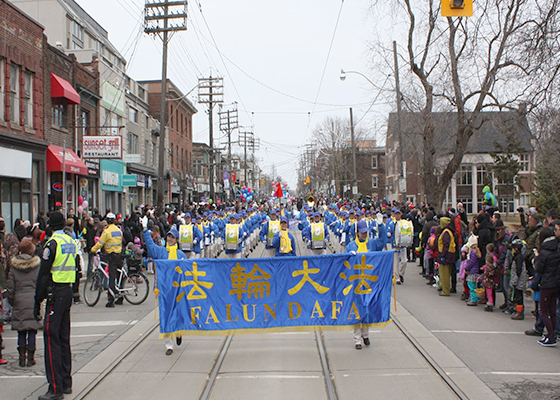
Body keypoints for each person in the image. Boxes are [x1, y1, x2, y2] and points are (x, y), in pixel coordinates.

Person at [34, 211, 76, 399]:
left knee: (51, 338)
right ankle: (66, 382)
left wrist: (37, 300)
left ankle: (55, 388)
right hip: (66, 290)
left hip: (56, 292)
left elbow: (43, 275)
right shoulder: (70, 241)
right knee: (64, 337)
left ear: (50, 225)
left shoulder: (51, 244)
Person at [143, 224, 185, 355]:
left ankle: (178, 332)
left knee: (178, 313)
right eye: (168, 237)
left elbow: (186, 271)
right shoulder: (161, 252)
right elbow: (150, 246)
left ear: (177, 240)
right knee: (165, 315)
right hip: (164, 289)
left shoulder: (180, 254)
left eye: (172, 238)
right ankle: (169, 345)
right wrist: (145, 230)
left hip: (177, 290)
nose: (170, 240)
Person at [7, 239, 42, 367]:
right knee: (32, 329)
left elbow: (10, 287)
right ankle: (31, 357)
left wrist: (12, 300)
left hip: (19, 300)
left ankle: (21, 357)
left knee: (21, 330)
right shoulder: (37, 265)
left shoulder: (14, 267)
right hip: (32, 299)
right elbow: (40, 283)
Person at [89, 213, 123, 308]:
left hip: (111, 256)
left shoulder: (106, 231)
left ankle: (110, 300)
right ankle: (120, 297)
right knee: (120, 275)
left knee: (111, 277)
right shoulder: (118, 230)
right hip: (119, 255)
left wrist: (92, 250)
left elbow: (100, 243)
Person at [533, 227, 560, 346]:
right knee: (552, 309)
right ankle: (551, 334)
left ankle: (551, 336)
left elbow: (539, 269)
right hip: (556, 282)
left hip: (547, 283)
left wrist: (537, 258)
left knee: (544, 311)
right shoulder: (557, 249)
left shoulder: (544, 251)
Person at [509, 239, 528, 320]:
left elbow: (518, 271)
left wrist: (514, 281)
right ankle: (518, 311)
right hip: (518, 280)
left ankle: (519, 313)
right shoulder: (517, 257)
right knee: (517, 296)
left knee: (519, 297)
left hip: (519, 282)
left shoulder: (519, 258)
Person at [464, 235, 481, 306]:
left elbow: (471, 262)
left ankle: (474, 299)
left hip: (472, 271)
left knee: (471, 285)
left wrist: (466, 268)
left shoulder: (473, 252)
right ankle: (473, 298)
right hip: (475, 271)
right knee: (472, 285)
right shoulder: (476, 251)